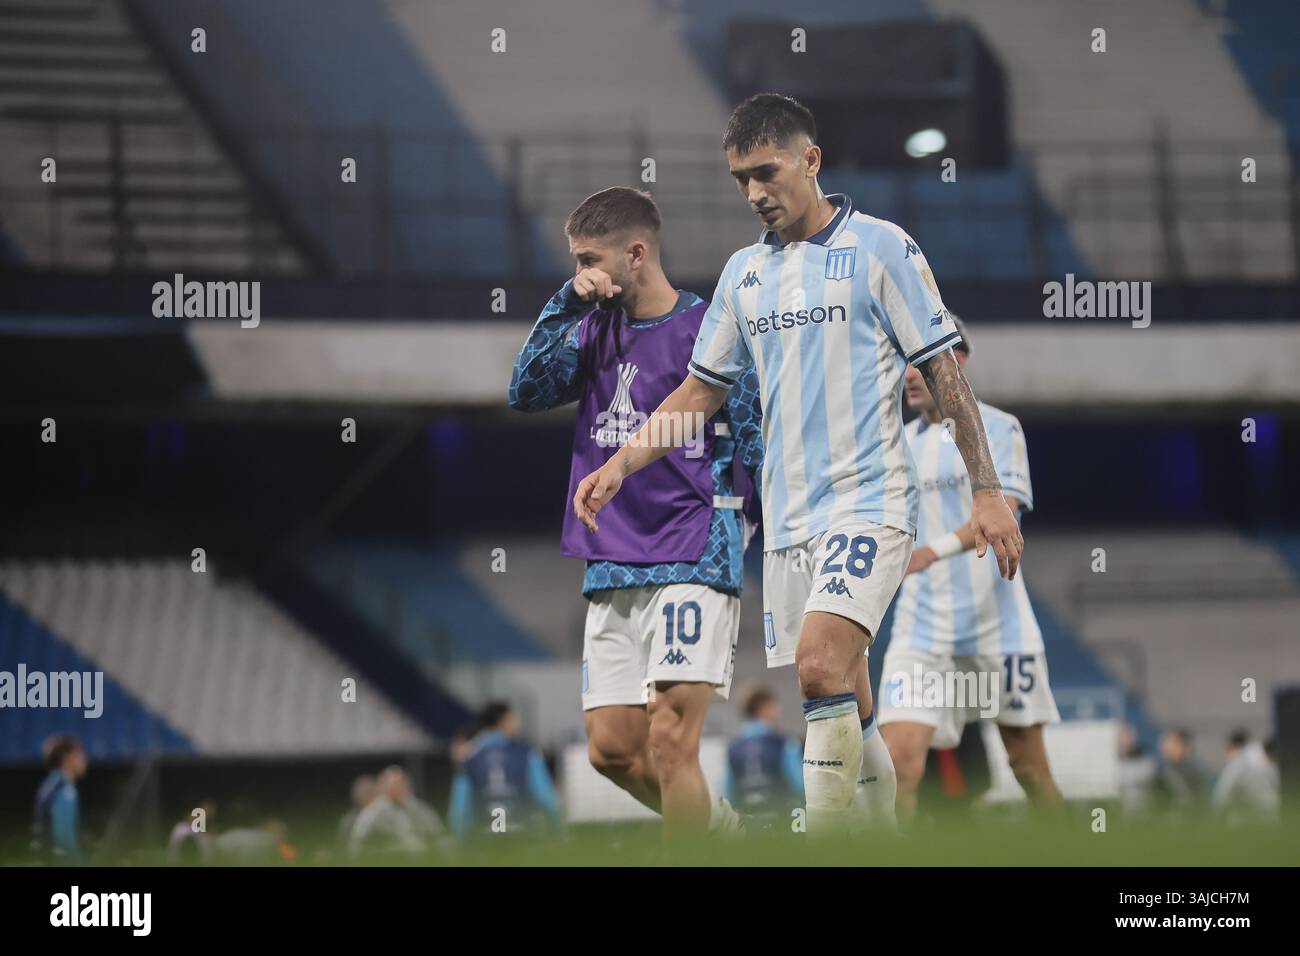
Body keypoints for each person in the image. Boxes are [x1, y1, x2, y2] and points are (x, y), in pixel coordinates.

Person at [573, 94, 1023, 833]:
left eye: (766, 171)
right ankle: (884, 840)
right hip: (788, 523)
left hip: (870, 501)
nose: (753, 193)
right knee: (853, 701)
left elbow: (945, 371)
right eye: (739, 179)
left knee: (818, 664)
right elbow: (699, 389)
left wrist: (987, 490)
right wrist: (622, 462)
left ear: (810, 161)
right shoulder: (744, 275)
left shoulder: (883, 248)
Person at [509, 186, 763, 837]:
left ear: (637, 253)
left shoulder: (711, 329)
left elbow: (759, 439)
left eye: (589, 259)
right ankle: (726, 836)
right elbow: (525, 390)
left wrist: (762, 531)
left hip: (691, 549)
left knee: (672, 742)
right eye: (575, 262)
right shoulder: (592, 328)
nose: (581, 272)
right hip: (611, 560)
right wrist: (566, 300)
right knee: (613, 751)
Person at [878, 318, 1062, 820]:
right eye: (905, 362)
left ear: (957, 361)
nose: (911, 373)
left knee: (1029, 769)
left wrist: (930, 552)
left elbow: (1007, 515)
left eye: (922, 360)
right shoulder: (899, 444)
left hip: (995, 626)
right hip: (922, 631)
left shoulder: (998, 428)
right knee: (898, 764)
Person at [448, 701, 561, 838]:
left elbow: (460, 811)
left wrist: (459, 841)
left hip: (483, 843)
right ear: (505, 720)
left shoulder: (468, 757)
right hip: (522, 840)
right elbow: (546, 798)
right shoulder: (526, 753)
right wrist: (556, 832)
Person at [724, 687, 803, 826]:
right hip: (781, 823)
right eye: (774, 706)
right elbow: (799, 786)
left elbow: (728, 793)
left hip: (748, 826)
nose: (778, 711)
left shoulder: (733, 748)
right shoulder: (785, 743)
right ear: (764, 708)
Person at [348, 765, 446, 859]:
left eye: (402, 784)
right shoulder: (374, 811)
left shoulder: (419, 807)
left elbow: (439, 834)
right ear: (384, 787)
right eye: (395, 785)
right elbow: (357, 843)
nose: (400, 788)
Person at [32, 734, 86, 863]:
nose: (84, 761)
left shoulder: (50, 784)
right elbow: (63, 838)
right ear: (68, 758)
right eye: (80, 755)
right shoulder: (65, 789)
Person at [1210, 730, 1280, 825]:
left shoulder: (1239, 760)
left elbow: (1221, 794)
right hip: (1269, 820)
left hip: (1244, 824)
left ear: (1231, 746)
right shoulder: (1261, 759)